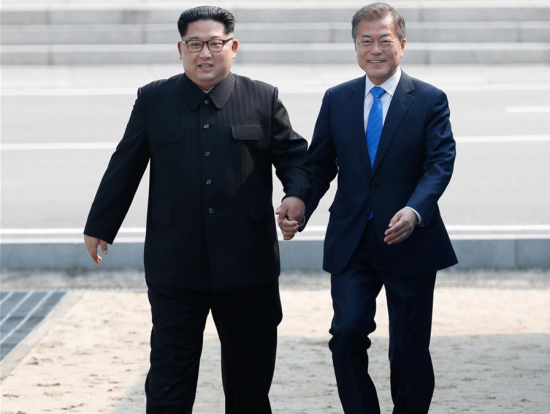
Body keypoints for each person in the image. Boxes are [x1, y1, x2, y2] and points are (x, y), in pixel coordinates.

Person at [84, 6, 312, 413]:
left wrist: (296, 196)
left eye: (214, 43)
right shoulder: (154, 99)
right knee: (169, 378)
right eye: (195, 44)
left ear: (233, 47)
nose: (204, 53)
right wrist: (101, 224)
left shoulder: (262, 97)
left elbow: (295, 157)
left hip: (249, 266)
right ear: (180, 48)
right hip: (175, 265)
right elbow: (125, 165)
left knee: (249, 382)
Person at [278, 3, 457, 413]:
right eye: (366, 41)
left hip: (409, 239)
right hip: (352, 240)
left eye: (385, 40)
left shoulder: (429, 99)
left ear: (403, 44)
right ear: (355, 46)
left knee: (408, 348)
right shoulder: (338, 98)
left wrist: (414, 210)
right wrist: (300, 201)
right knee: (345, 332)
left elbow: (440, 163)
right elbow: (320, 163)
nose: (375, 49)